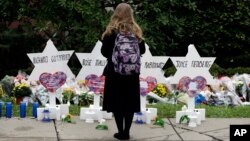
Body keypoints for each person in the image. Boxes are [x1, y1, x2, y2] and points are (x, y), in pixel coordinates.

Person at [101, 3, 145, 140]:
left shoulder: (111, 31)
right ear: (130, 14)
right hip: (132, 74)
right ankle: (127, 132)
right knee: (130, 103)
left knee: (117, 102)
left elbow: (103, 52)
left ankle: (120, 132)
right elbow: (142, 50)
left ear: (116, 13)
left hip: (114, 73)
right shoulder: (136, 31)